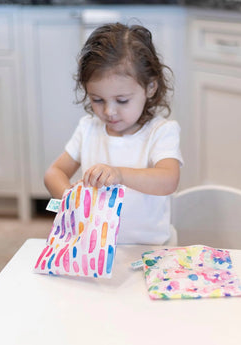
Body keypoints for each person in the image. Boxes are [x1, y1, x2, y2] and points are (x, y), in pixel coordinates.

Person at [44, 22, 183, 245]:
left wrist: (119, 174)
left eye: (122, 100)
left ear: (150, 87)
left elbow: (168, 180)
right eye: (97, 100)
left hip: (148, 250)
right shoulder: (88, 129)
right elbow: (54, 172)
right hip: (94, 247)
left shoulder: (161, 132)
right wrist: (71, 199)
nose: (109, 111)